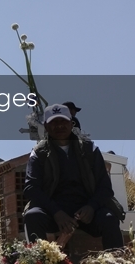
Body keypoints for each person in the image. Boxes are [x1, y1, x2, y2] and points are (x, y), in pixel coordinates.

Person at [23, 104, 123, 250]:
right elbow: (31, 188)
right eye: (54, 122)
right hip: (54, 212)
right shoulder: (39, 153)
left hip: (86, 211)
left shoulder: (90, 149)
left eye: (63, 121)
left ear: (71, 123)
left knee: (109, 219)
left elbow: (105, 187)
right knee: (33, 216)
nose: (59, 126)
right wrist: (56, 212)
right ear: (46, 125)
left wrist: (91, 206)